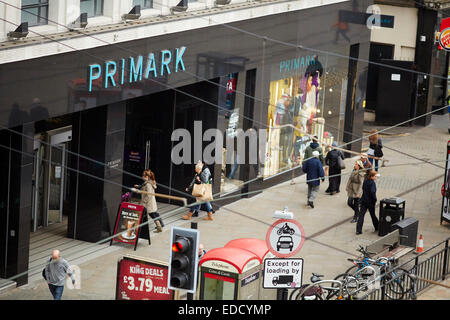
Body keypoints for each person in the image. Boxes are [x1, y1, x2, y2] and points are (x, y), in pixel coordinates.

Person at [356, 170, 380, 235]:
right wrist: (375, 199)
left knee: (361, 215)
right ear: (371, 176)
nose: (376, 177)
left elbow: (363, 189)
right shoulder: (372, 183)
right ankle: (377, 227)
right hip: (370, 202)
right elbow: (373, 192)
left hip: (364, 201)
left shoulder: (365, 181)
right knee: (372, 215)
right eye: (375, 176)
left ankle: (358, 230)